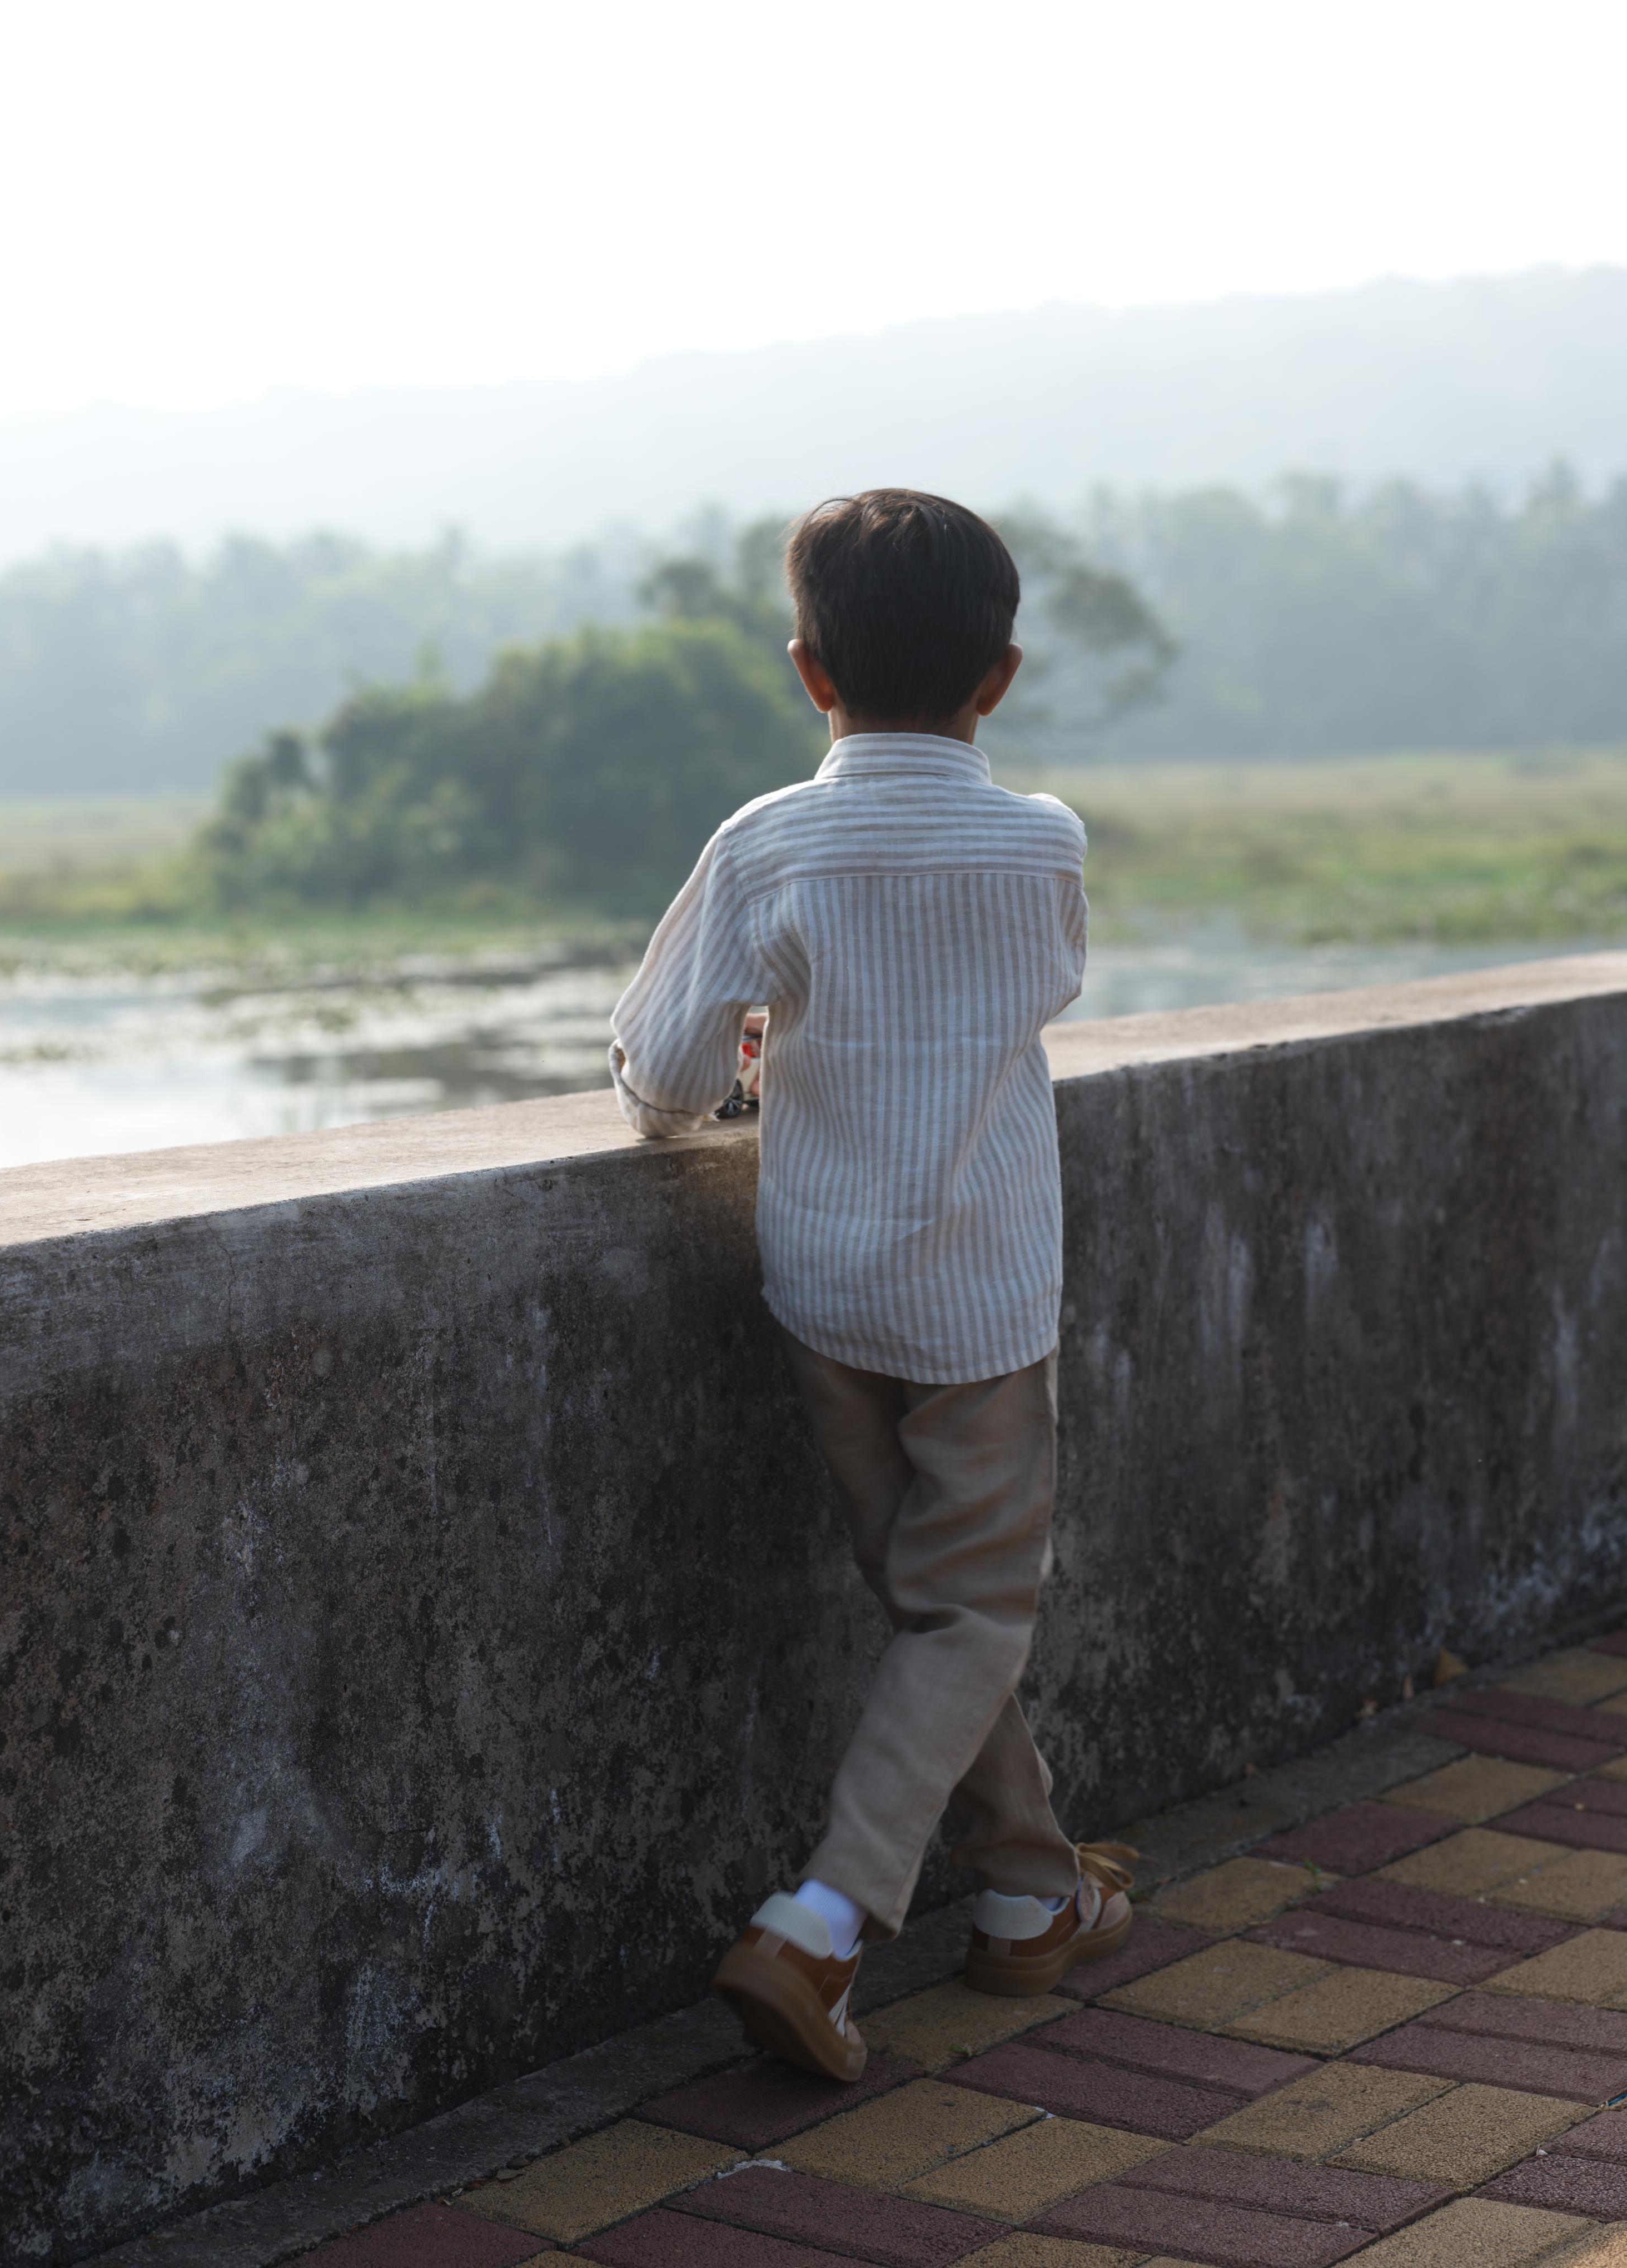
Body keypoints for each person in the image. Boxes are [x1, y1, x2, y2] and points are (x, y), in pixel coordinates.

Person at [608, 489, 1133, 2082]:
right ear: (1001, 676)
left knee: (931, 1616)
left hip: (824, 1288)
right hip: (978, 1292)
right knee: (969, 1611)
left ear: (806, 671)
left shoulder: (766, 840)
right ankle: (823, 1921)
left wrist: (703, 1087)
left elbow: (669, 1070)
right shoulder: (1039, 839)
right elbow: (1042, 983)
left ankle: (1034, 1892)